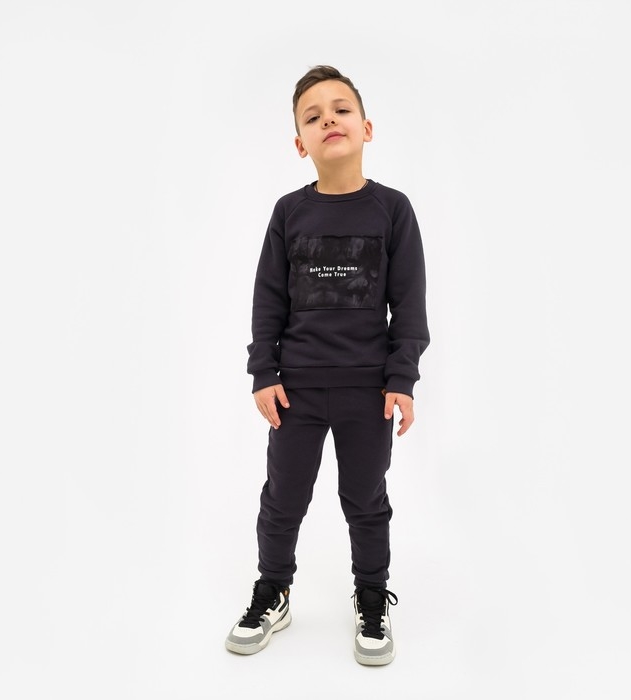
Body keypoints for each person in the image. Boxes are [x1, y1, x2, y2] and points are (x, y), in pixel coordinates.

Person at [225, 65, 430, 666]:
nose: (329, 121)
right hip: (297, 391)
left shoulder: (393, 210)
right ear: (300, 144)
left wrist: (401, 379)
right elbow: (268, 299)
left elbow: (409, 304)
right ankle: (273, 590)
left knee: (365, 499)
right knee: (283, 498)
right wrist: (264, 372)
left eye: (341, 110)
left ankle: (371, 596)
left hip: (368, 391)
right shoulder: (289, 213)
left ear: (367, 127)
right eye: (313, 117)